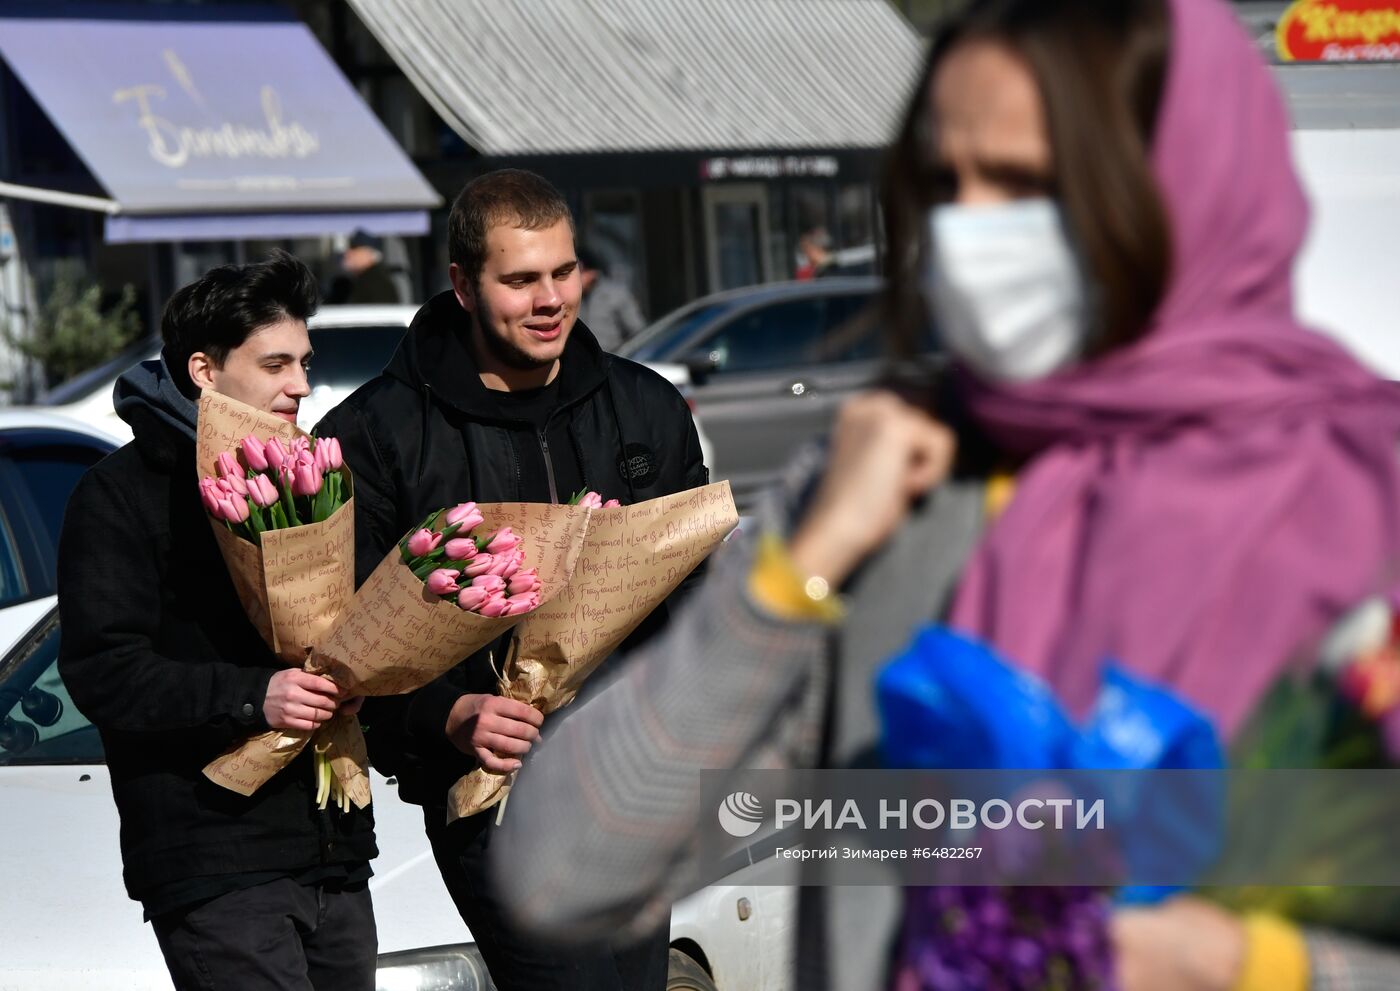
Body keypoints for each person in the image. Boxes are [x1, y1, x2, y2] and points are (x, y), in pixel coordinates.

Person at [490, 1, 1400, 989]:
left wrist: (1258, 967)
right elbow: (562, 871)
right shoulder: (903, 491)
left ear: (1181, 182)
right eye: (942, 187)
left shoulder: (1360, 504)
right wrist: (789, 577)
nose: (969, 234)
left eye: (1020, 184)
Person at [316, 168, 706, 991]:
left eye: (562, 273)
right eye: (520, 279)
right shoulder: (376, 435)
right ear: (462, 283)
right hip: (488, 794)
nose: (549, 298)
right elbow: (338, 641)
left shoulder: (647, 410)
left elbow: (694, 602)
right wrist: (446, 714)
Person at [57, 251, 378, 991]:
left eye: (303, 361)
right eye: (274, 364)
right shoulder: (122, 495)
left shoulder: (316, 478)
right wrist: (254, 694)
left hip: (333, 853)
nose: (299, 384)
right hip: (215, 863)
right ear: (205, 369)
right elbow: (104, 671)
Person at [577, 244, 646, 351]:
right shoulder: (574, 296)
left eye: (580, 272)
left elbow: (637, 331)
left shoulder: (616, 294)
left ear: (592, 273)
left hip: (612, 359)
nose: (576, 278)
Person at [327, 230, 402, 304]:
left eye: (354, 248)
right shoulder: (366, 278)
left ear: (368, 254)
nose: (348, 253)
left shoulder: (375, 282)